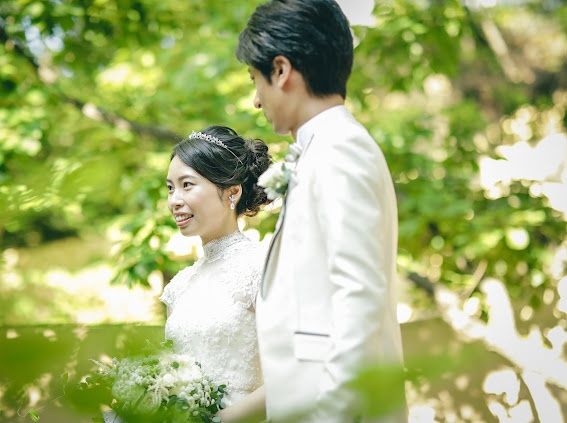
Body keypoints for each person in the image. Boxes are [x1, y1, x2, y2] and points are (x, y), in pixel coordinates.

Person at [237, 1, 406, 422]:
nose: (256, 100)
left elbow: (360, 295)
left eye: (255, 80)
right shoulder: (322, 147)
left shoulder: (340, 149)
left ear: (281, 70)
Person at [162, 125, 270, 422]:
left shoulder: (262, 266)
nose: (174, 200)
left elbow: (292, 372)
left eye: (187, 185)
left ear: (232, 192)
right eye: (170, 188)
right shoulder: (179, 286)